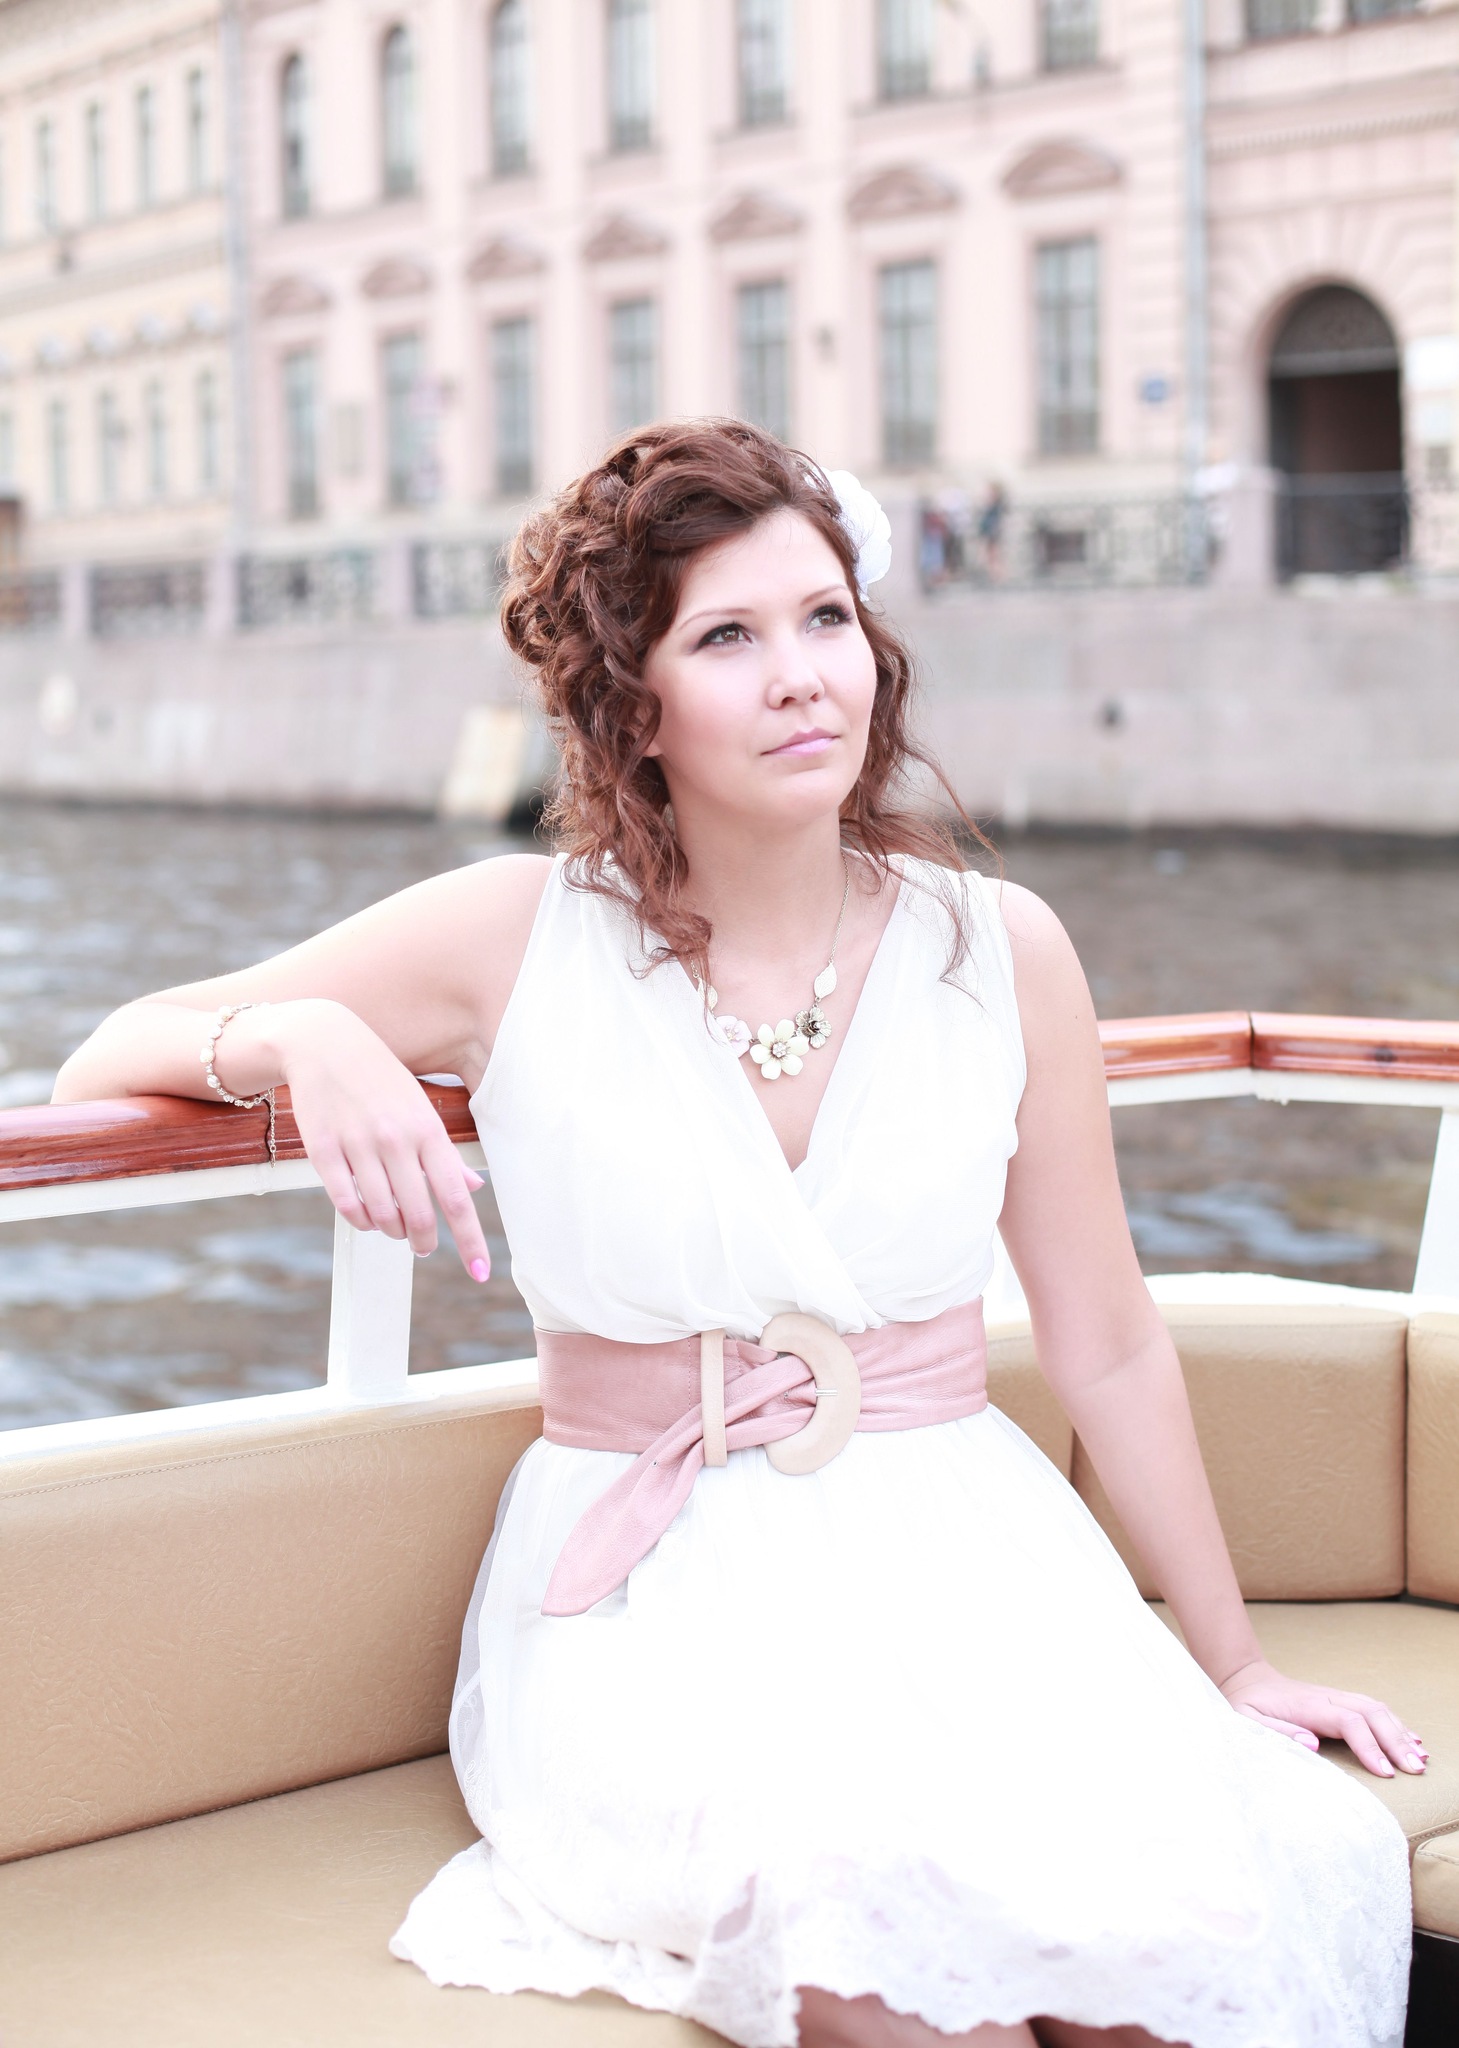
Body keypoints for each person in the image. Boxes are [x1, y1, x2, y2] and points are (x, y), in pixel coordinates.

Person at [55, 420, 1420, 2048]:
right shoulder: (516, 935)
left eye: (825, 617)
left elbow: (1108, 1342)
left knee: (1160, 1976)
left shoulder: (1001, 947)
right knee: (890, 1981)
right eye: (728, 637)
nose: (800, 678)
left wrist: (1236, 1666)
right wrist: (298, 1036)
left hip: (968, 1561)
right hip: (655, 1599)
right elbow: (106, 1056)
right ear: (631, 700)